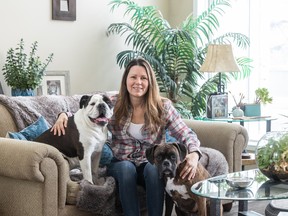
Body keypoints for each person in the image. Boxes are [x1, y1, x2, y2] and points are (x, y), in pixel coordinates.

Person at [51, 57, 201, 216]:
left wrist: (194, 154)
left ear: (150, 82)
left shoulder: (163, 107)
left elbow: (186, 133)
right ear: (126, 80)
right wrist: (64, 115)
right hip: (121, 163)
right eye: (133, 77)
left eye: (144, 78)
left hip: (148, 163)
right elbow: (83, 109)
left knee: (152, 169)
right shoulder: (112, 102)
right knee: (126, 168)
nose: (138, 82)